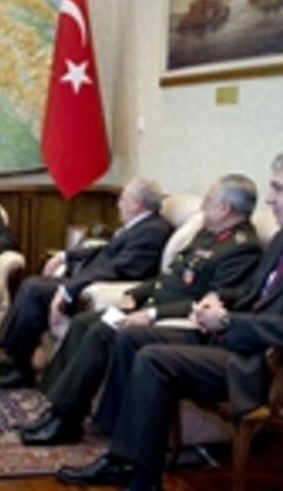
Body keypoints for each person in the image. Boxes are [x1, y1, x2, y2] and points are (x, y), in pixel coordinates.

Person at [59, 146, 283, 491]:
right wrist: (216, 301)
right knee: (132, 338)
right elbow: (256, 295)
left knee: (154, 360)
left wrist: (228, 323)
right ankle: (121, 458)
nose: (269, 198)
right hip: (243, 347)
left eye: (278, 188)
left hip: (276, 369)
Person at [19, 174, 263, 446]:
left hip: (174, 320)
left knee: (101, 332)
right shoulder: (208, 234)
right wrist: (136, 295)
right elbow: (169, 277)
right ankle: (58, 411)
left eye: (208, 201)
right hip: (151, 307)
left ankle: (65, 422)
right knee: (83, 322)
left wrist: (152, 314)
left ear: (225, 209)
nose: (203, 207)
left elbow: (209, 303)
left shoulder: (243, 249)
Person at [0, 177, 173, 388]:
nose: (118, 204)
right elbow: (104, 250)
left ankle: (20, 368)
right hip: (85, 278)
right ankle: (12, 357)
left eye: (122, 199)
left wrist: (69, 288)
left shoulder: (153, 231)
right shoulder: (139, 225)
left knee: (33, 288)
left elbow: (118, 269)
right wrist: (66, 256)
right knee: (32, 284)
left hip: (96, 286)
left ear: (136, 203)